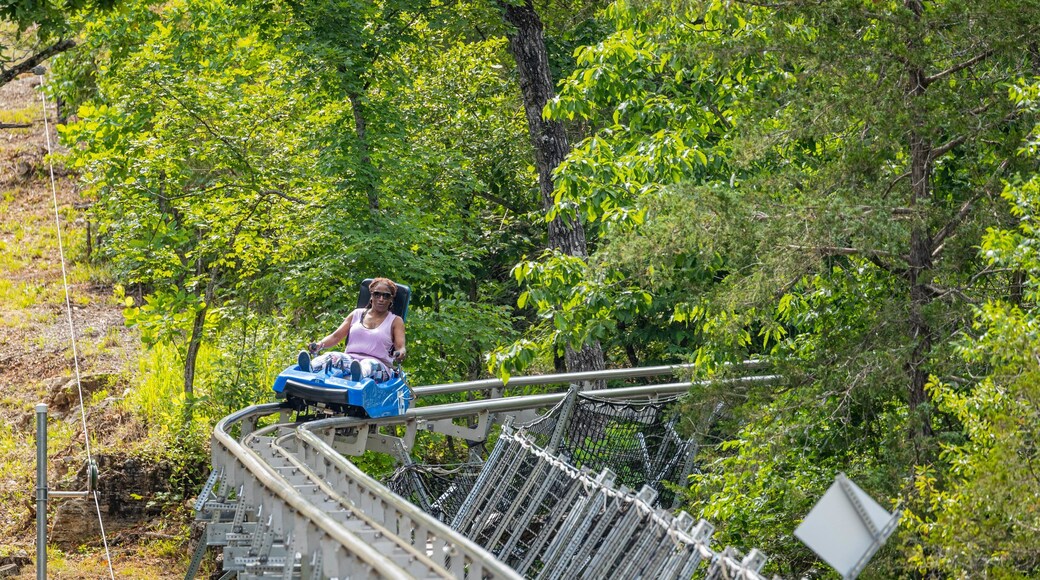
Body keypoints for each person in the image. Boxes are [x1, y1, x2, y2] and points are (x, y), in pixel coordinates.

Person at [298, 277, 406, 382]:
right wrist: (319, 345)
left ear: (391, 299)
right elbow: (336, 337)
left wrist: (400, 353)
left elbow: (400, 347)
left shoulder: (395, 321)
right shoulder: (357, 314)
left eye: (386, 296)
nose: (381, 299)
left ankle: (359, 376)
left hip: (378, 365)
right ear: (371, 295)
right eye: (377, 294)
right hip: (351, 360)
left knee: (368, 364)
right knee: (334, 356)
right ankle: (310, 367)